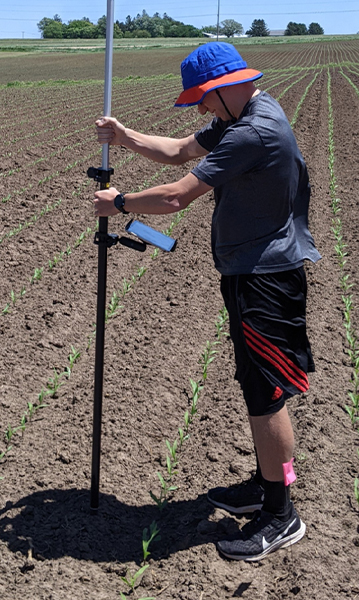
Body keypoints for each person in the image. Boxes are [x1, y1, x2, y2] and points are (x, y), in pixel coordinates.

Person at [92, 42, 321, 562]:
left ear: (224, 87)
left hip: (265, 280)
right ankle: (266, 484)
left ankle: (281, 514)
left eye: (202, 97)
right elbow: (178, 150)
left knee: (266, 391)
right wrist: (125, 137)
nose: (200, 108)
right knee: (256, 383)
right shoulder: (243, 114)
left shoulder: (252, 131)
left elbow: (177, 195)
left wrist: (120, 203)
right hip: (251, 271)